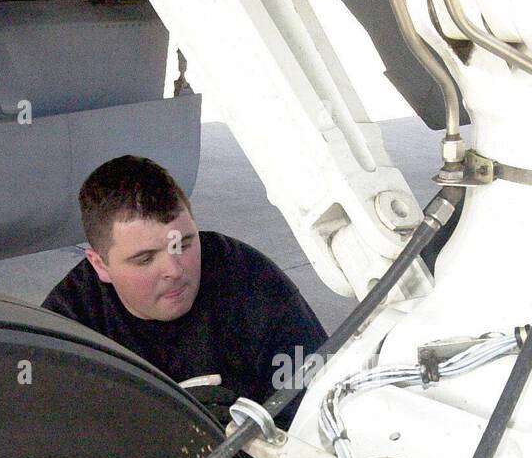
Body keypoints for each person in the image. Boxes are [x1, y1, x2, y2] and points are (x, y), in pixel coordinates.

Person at [43, 156, 327, 418]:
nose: (175, 270)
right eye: (145, 259)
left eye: (185, 244)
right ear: (100, 265)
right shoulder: (67, 331)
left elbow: (323, 407)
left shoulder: (253, 285)